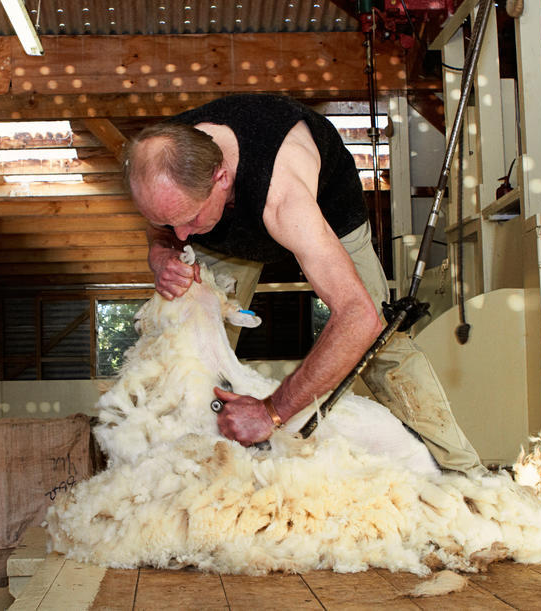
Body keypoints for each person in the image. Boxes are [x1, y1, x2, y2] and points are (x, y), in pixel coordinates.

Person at [124, 93, 484, 476]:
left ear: (221, 178)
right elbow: (165, 227)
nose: (181, 234)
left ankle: (463, 473)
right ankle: (195, 472)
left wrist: (271, 411)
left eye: (187, 219)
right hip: (226, 227)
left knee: (381, 344)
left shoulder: (284, 199)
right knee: (191, 336)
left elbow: (358, 317)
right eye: (167, 221)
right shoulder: (167, 163)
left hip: (327, 214)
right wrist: (161, 253)